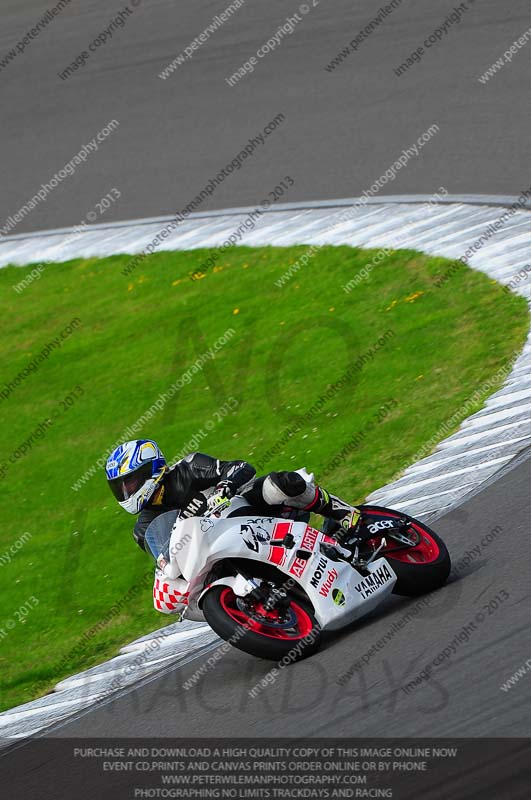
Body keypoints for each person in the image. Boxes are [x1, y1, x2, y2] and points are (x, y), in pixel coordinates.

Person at [105, 439, 360, 552]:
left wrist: (224, 487)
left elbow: (241, 467)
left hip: (246, 510)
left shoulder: (189, 468)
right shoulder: (144, 529)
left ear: (150, 469)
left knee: (281, 483)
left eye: (130, 482)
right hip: (213, 549)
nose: (127, 491)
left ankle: (345, 515)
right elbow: (166, 561)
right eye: (121, 487)